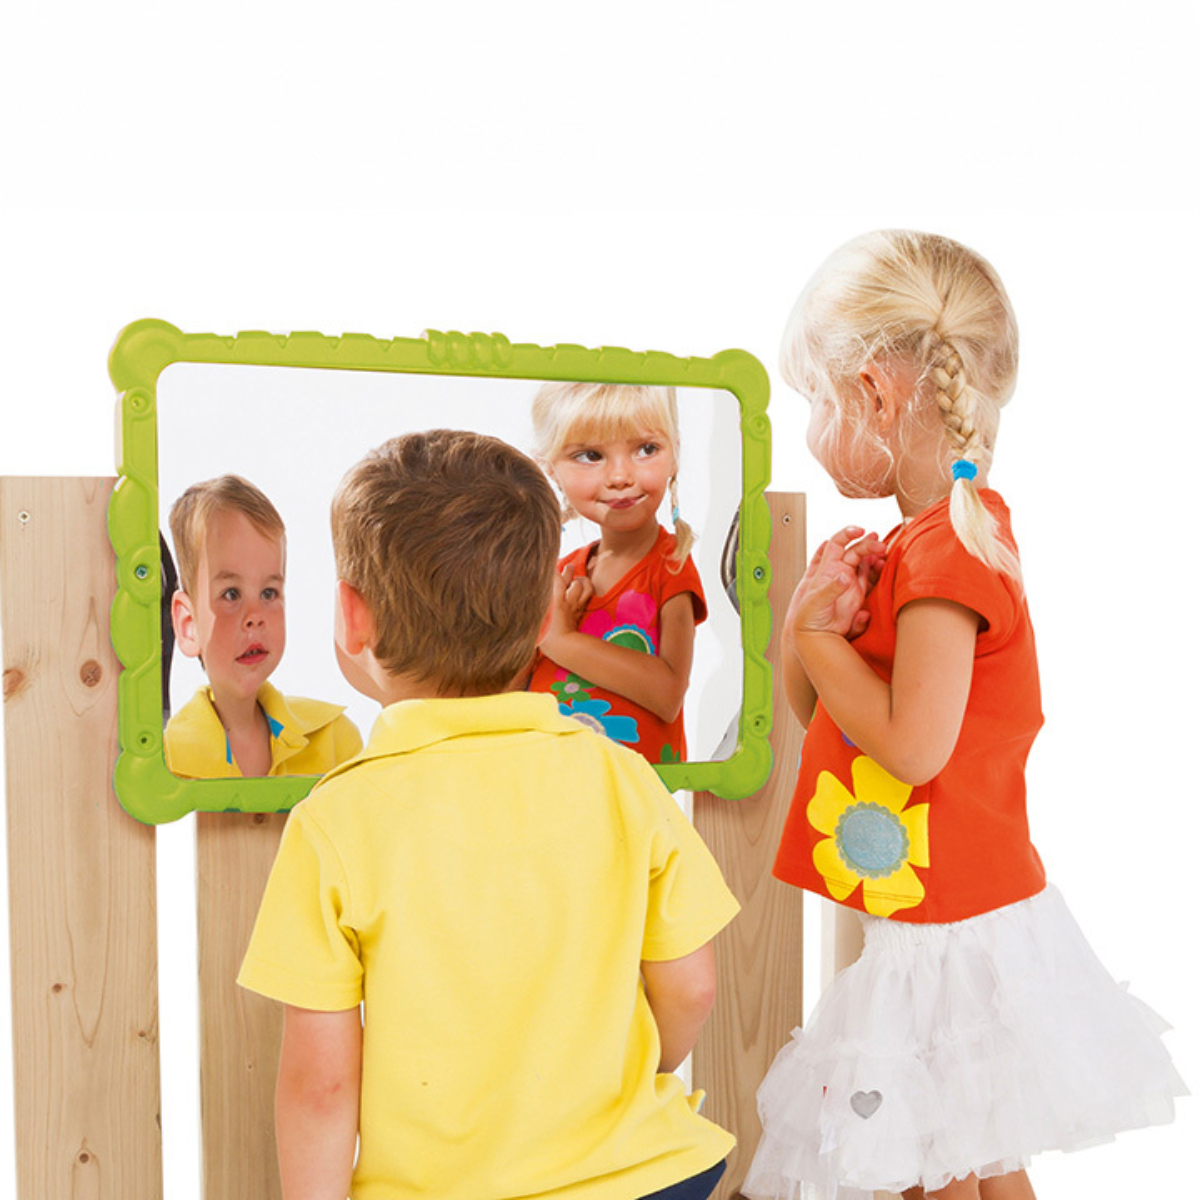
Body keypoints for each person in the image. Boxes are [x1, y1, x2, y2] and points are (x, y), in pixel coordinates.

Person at [743, 231, 1186, 1200]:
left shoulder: (945, 553)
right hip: (939, 913)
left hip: (944, 930)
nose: (813, 426)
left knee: (928, 1169)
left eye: (816, 401)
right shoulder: (927, 541)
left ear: (873, 394)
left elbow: (910, 748)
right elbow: (835, 724)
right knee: (970, 1162)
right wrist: (812, 633)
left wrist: (815, 638)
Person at [237, 430, 740, 1200]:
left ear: (351, 617)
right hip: (650, 1177)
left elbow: (321, 1087)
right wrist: (630, 1078)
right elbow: (693, 988)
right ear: (545, 618)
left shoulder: (337, 820)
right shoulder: (621, 777)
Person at [528, 382, 707, 766]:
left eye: (646, 449)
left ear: (675, 453)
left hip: (632, 791)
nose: (621, 476)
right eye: (590, 455)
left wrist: (560, 639)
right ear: (550, 468)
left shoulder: (670, 564)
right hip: (549, 781)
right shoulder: (558, 574)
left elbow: (667, 694)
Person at [165, 474, 361, 778]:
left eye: (269, 593)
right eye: (231, 594)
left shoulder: (334, 740)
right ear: (188, 623)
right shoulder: (164, 761)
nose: (255, 616)